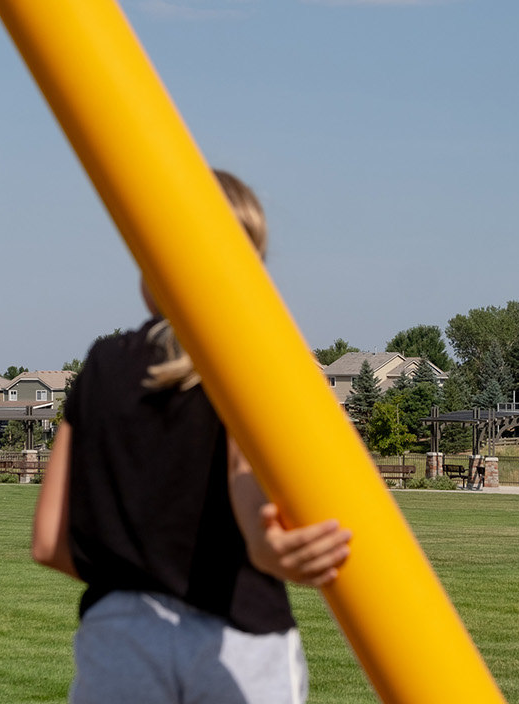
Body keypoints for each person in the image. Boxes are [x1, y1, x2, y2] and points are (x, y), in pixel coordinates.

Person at [32, 170, 352, 704]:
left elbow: (48, 541)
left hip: (118, 640)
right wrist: (261, 543)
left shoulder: (100, 365)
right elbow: (244, 469)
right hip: (238, 640)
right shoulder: (261, 358)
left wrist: (133, 585)